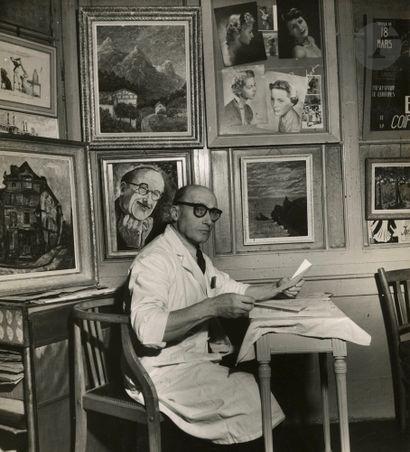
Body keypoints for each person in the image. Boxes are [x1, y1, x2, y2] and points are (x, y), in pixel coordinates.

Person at [124, 184, 303, 448]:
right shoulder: (154, 260)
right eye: (199, 210)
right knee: (252, 395)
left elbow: (232, 288)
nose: (208, 219)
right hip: (158, 374)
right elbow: (148, 330)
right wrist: (212, 307)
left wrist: (276, 289)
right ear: (174, 213)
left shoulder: (197, 257)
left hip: (188, 364)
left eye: (213, 213)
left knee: (255, 389)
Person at [115, 165, 165, 251]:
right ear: (123, 189)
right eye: (143, 188)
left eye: (155, 194)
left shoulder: (160, 228)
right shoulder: (104, 219)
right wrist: (131, 245)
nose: (148, 201)